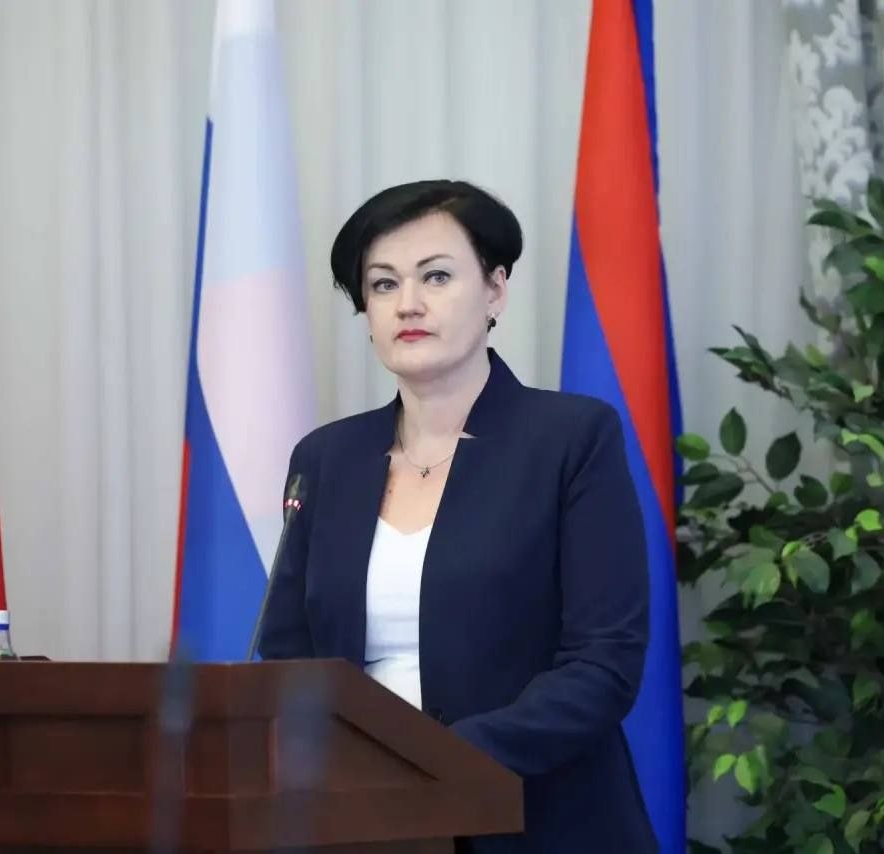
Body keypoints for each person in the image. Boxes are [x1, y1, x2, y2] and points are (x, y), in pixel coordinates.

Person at [257, 179, 656, 853]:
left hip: (535, 816)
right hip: (360, 822)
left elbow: (603, 663)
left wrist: (435, 760)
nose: (407, 303)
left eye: (436, 276)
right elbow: (288, 652)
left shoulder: (570, 439)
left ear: (495, 290)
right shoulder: (326, 459)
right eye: (383, 284)